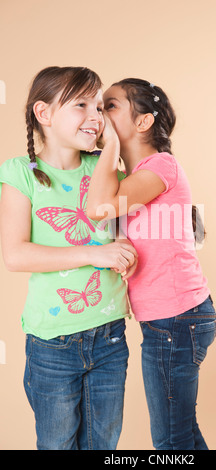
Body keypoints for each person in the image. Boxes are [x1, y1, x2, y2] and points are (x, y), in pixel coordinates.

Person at [0, 67, 138, 450]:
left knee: (103, 443)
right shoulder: (20, 174)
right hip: (52, 343)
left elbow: (123, 238)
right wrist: (96, 253)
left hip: (110, 334)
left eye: (99, 107)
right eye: (81, 104)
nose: (95, 117)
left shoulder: (105, 169)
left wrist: (127, 257)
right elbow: (14, 254)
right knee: (58, 443)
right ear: (43, 114)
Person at [86, 78, 216, 450]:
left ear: (143, 122)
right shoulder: (131, 176)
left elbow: (99, 208)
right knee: (183, 434)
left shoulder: (161, 166)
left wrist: (110, 145)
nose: (99, 112)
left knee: (170, 441)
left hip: (176, 320)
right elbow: (171, 231)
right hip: (171, 319)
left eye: (109, 105)